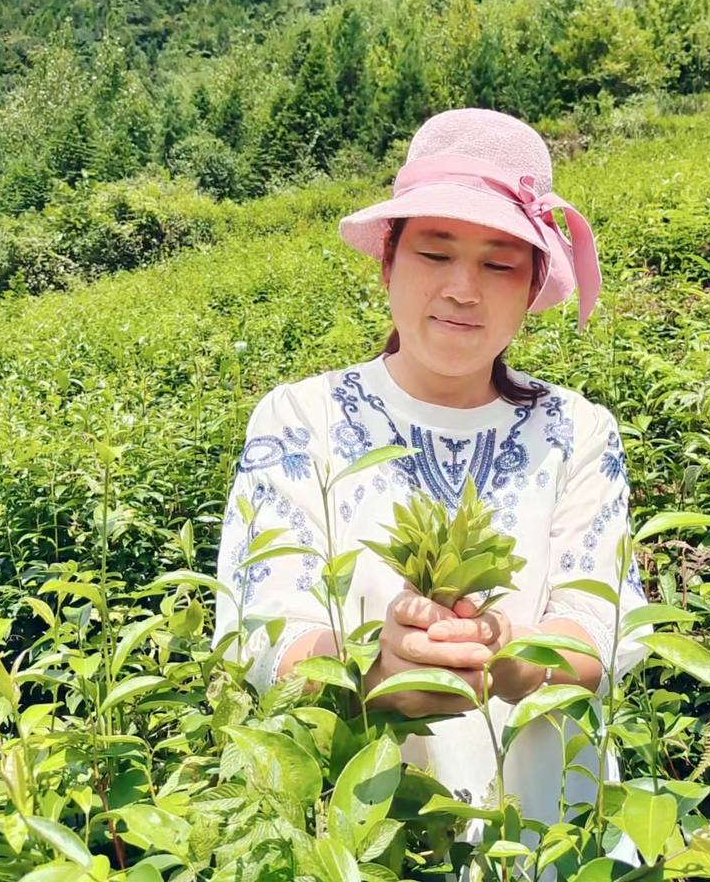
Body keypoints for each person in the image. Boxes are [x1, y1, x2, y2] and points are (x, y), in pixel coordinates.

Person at [212, 107, 648, 833]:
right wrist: (371, 668)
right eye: (435, 254)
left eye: (500, 262)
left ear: (534, 282)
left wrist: (512, 655)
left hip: (552, 840)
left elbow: (602, 623)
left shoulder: (576, 431)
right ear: (388, 261)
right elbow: (258, 633)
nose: (463, 289)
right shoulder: (300, 419)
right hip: (364, 844)